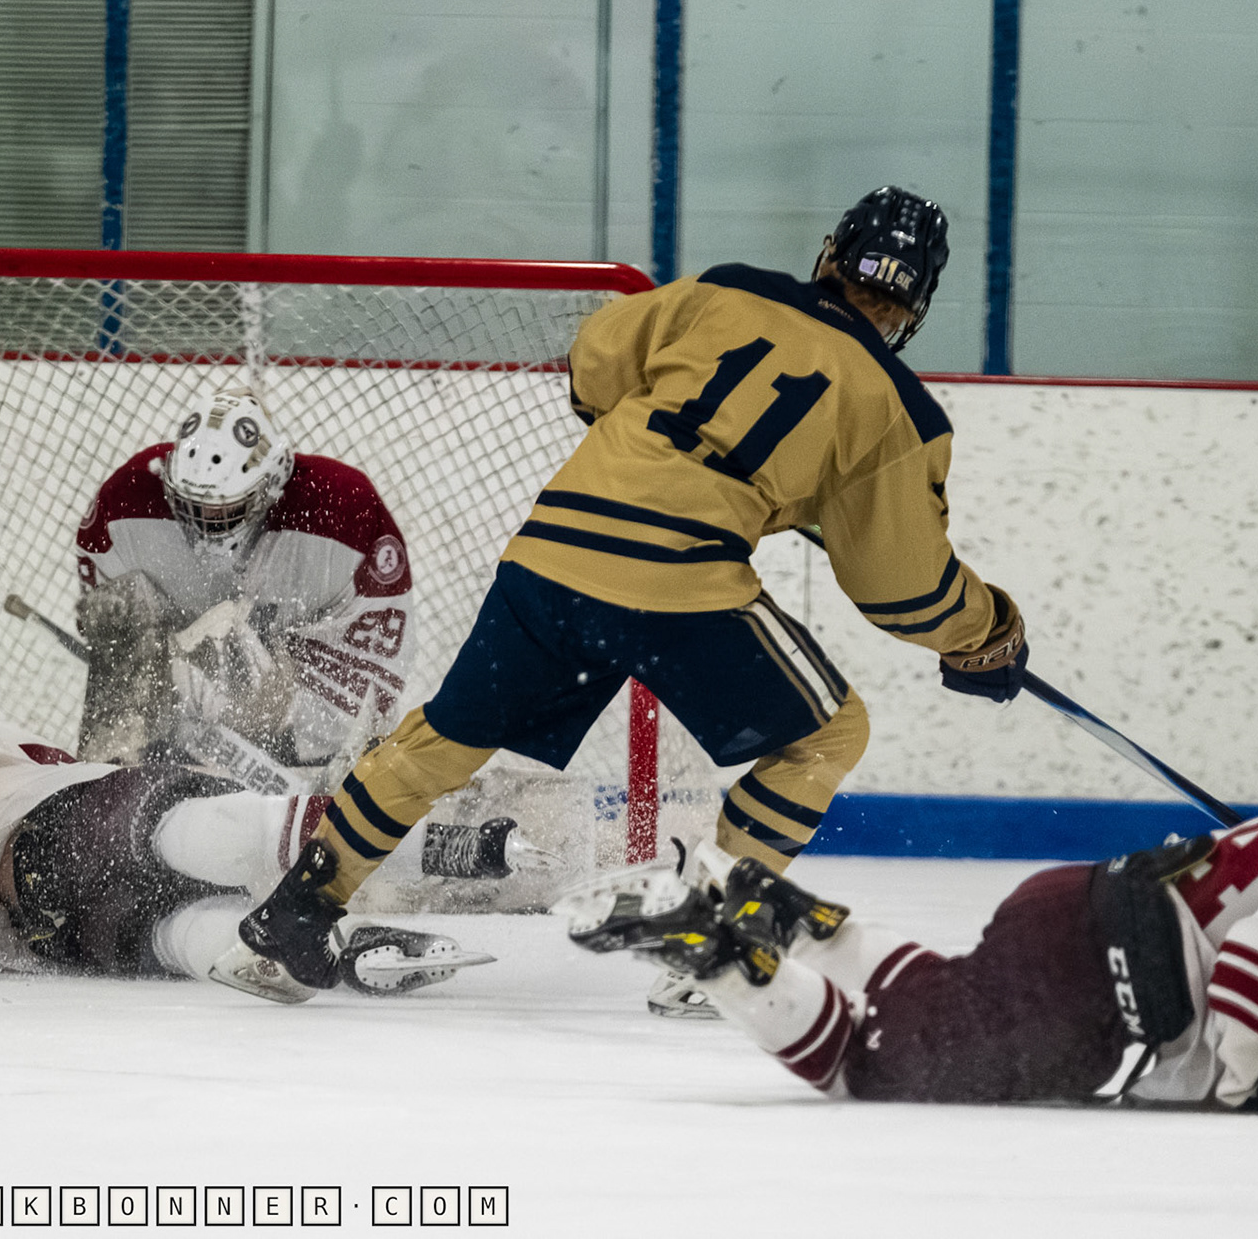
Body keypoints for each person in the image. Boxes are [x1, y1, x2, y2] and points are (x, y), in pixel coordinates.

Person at [209, 186, 1030, 1008]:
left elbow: (596, 359)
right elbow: (902, 589)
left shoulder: (727, 289)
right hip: (679, 583)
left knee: (448, 736)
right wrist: (983, 631)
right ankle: (716, 947)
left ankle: (298, 911)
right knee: (828, 735)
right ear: (914, 306)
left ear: (829, 254)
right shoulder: (898, 408)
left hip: (551, 551)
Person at [559, 689, 1258, 1113]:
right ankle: (727, 953)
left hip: (1074, 917)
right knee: (867, 1070)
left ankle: (803, 917)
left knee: (939, 993)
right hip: (1100, 996)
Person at [0, 632, 484, 1000]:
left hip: (52, 916)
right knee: (199, 838)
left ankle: (336, 948)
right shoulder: (21, 749)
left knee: (176, 935)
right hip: (69, 838)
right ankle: (440, 849)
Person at [74, 387, 415, 798]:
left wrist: (285, 713)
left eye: (225, 510)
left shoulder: (345, 514)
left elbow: (371, 675)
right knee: (118, 612)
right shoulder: (124, 504)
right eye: (193, 507)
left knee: (347, 753)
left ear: (270, 488)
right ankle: (106, 791)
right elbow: (111, 629)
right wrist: (157, 676)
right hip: (179, 718)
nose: (206, 527)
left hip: (297, 731)